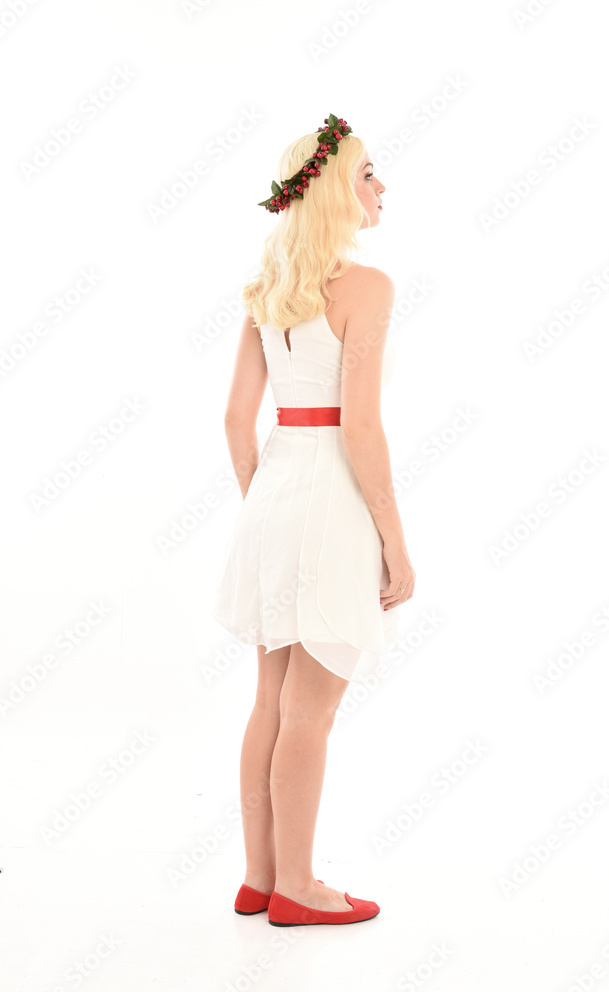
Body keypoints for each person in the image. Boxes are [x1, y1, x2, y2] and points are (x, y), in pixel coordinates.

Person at [211, 114, 415, 927]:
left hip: (276, 495)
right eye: (369, 174)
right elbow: (358, 427)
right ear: (336, 190)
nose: (380, 187)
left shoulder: (268, 288)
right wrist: (394, 543)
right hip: (332, 500)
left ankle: (260, 879)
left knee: (269, 700)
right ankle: (298, 885)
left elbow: (236, 419)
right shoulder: (366, 288)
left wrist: (266, 508)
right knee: (311, 711)